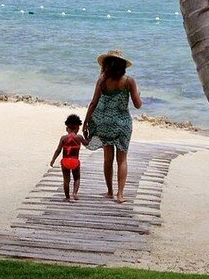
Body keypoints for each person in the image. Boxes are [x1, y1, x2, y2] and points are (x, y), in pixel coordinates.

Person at [83, 50, 142, 203]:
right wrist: (138, 93)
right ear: (123, 66)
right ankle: (120, 195)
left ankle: (110, 191)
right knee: (122, 160)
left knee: (107, 159)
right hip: (122, 124)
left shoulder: (102, 81)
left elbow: (93, 103)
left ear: (107, 65)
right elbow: (138, 105)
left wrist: (85, 123)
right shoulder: (129, 81)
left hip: (105, 123)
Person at [50, 114, 89, 202]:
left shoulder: (63, 138)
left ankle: (67, 197)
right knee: (77, 178)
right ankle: (75, 193)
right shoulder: (79, 137)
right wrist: (87, 136)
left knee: (66, 180)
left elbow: (58, 150)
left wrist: (53, 160)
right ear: (78, 128)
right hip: (75, 161)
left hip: (65, 161)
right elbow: (87, 143)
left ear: (67, 127)